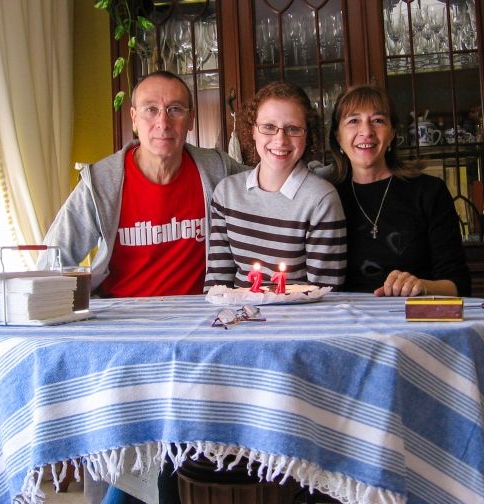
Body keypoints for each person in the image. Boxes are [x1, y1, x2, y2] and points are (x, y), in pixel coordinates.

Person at [38, 70, 244, 504]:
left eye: (174, 110)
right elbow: (52, 260)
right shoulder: (102, 182)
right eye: (150, 109)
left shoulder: (216, 170)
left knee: (173, 447)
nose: (162, 122)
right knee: (144, 450)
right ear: (133, 118)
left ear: (190, 119)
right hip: (126, 337)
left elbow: (270, 187)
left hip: (201, 333)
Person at [329, 84, 471, 297]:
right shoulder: (327, 198)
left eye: (378, 120)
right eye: (353, 121)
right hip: (348, 324)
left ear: (393, 134)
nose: (366, 131)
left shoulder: (430, 192)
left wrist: (422, 286)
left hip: (415, 319)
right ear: (338, 137)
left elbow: (459, 284)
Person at [204, 81, 347, 290]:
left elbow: (326, 294)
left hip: (298, 321)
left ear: (308, 135)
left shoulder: (321, 199)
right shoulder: (226, 193)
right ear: (253, 130)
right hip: (238, 319)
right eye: (269, 127)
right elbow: (217, 284)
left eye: (293, 129)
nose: (280, 140)